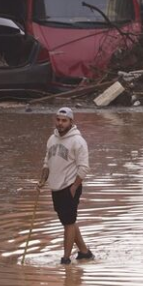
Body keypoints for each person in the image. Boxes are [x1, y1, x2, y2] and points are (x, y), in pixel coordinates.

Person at [38, 107, 93, 265]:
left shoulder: (78, 141)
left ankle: (66, 259)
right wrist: (42, 181)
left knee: (68, 223)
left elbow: (84, 168)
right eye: (58, 120)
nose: (60, 123)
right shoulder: (52, 139)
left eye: (64, 120)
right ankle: (84, 252)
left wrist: (74, 187)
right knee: (68, 221)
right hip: (55, 186)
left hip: (70, 186)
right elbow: (46, 163)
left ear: (71, 122)